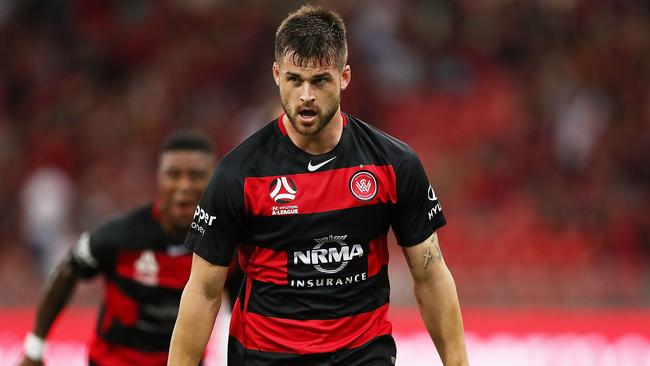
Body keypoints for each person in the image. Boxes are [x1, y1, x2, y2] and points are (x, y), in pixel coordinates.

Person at [169, 5, 469, 366]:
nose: (306, 95)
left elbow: (431, 276)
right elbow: (202, 291)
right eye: (295, 80)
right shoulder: (238, 174)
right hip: (266, 358)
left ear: (344, 77)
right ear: (277, 75)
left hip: (362, 355)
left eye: (320, 80)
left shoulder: (393, 164)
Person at [19, 131, 217, 366]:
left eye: (196, 176)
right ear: (158, 179)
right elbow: (69, 269)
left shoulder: (223, 243)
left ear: (214, 180)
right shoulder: (121, 236)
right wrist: (35, 347)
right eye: (173, 175)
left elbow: (241, 301)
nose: (184, 185)